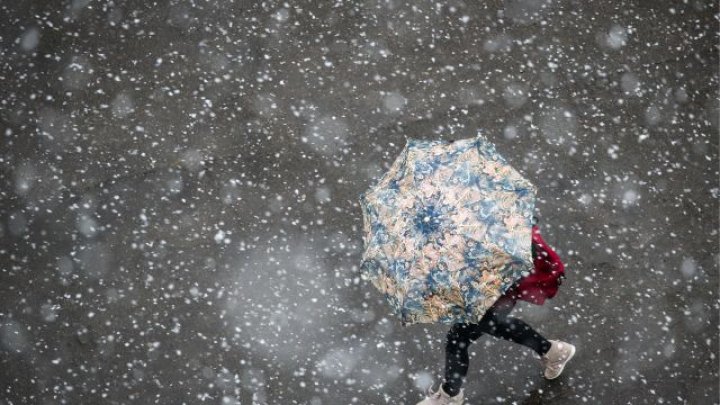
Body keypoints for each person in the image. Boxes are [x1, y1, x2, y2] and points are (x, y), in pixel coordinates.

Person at [416, 217, 576, 405]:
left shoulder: (498, 225)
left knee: (459, 337)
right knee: (491, 325)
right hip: (491, 282)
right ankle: (553, 352)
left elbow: (507, 251)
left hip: (494, 285)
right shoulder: (482, 211)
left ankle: (450, 396)